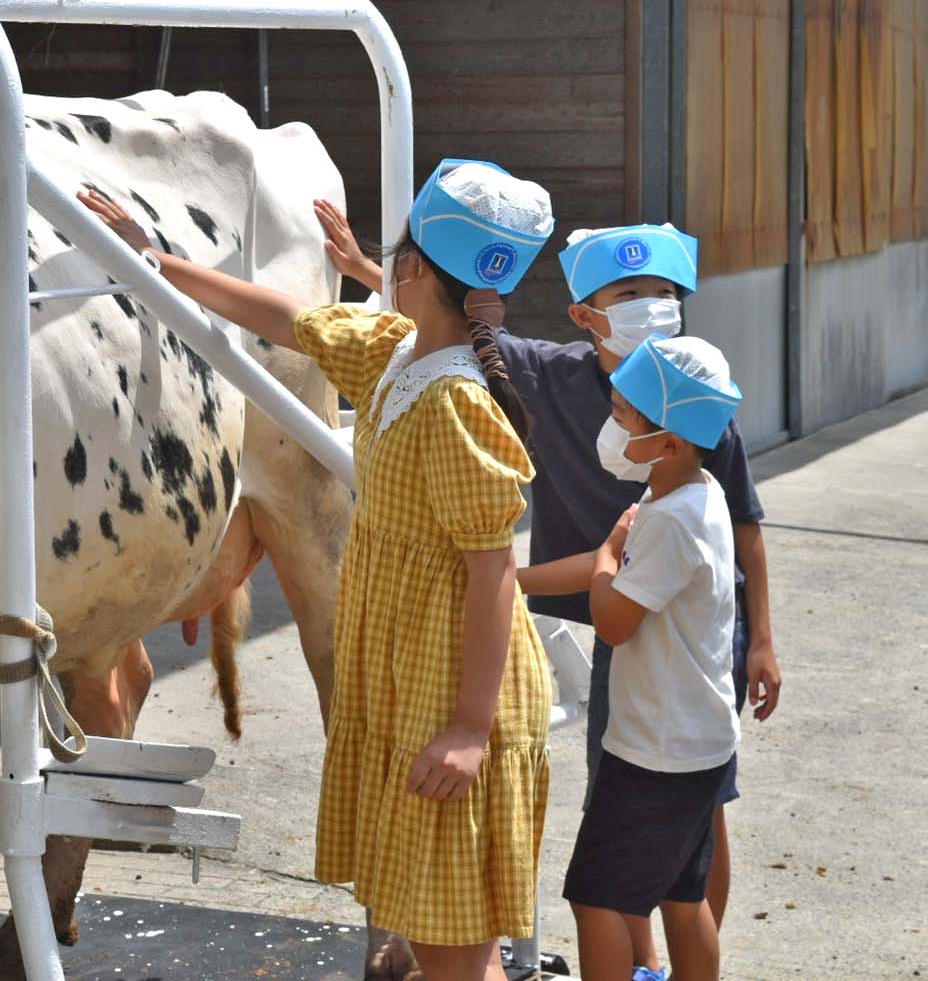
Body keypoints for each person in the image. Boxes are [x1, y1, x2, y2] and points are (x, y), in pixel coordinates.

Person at [83, 159, 554, 981]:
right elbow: (292, 318)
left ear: (409, 269)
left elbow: (494, 575)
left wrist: (471, 731)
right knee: (436, 930)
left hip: (455, 693)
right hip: (414, 679)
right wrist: (154, 260)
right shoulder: (396, 353)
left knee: (457, 956)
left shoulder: (455, 402)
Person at [317, 211, 783, 979]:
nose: (653, 306)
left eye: (664, 290)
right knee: (646, 820)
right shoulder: (554, 375)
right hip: (633, 659)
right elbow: (456, 323)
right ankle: (649, 966)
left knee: (670, 843)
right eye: (630, 291)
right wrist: (384, 277)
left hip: (669, 642)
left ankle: (658, 962)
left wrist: (760, 639)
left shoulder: (693, 406)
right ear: (584, 313)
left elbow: (742, 533)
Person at [516, 334, 744, 981]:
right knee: (682, 894)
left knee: (595, 899)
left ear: (669, 443)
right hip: (697, 745)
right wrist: (510, 580)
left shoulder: (671, 519)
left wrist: (610, 560)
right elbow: (604, 563)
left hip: (653, 756)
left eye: (623, 415)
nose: (611, 423)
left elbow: (612, 617)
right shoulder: (688, 493)